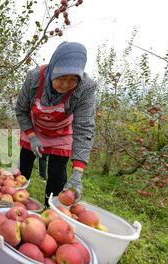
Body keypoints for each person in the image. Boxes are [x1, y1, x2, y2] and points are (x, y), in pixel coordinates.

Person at [15, 41, 97, 206]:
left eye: (73, 80)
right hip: (34, 128)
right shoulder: (34, 78)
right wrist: (31, 137)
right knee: (23, 170)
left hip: (61, 133)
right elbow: (21, 110)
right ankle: (15, 200)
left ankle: (50, 210)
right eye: (61, 78)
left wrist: (77, 173)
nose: (66, 85)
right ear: (52, 70)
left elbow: (84, 129)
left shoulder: (86, 88)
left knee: (57, 177)